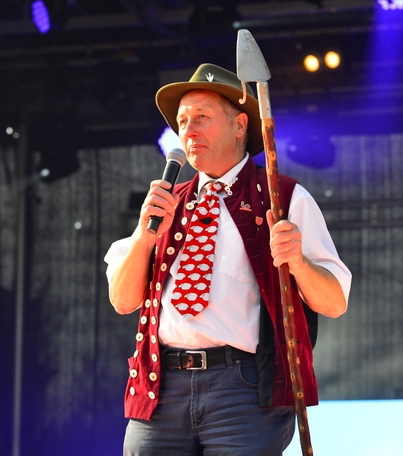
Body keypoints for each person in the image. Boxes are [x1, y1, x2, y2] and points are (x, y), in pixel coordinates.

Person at [104, 63, 352, 455]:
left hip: (244, 388)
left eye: (202, 117)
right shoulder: (167, 204)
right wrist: (145, 236)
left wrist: (299, 264)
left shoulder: (283, 197)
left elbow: (334, 302)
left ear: (240, 125)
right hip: (160, 386)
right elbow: (122, 301)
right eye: (182, 121)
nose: (188, 130)